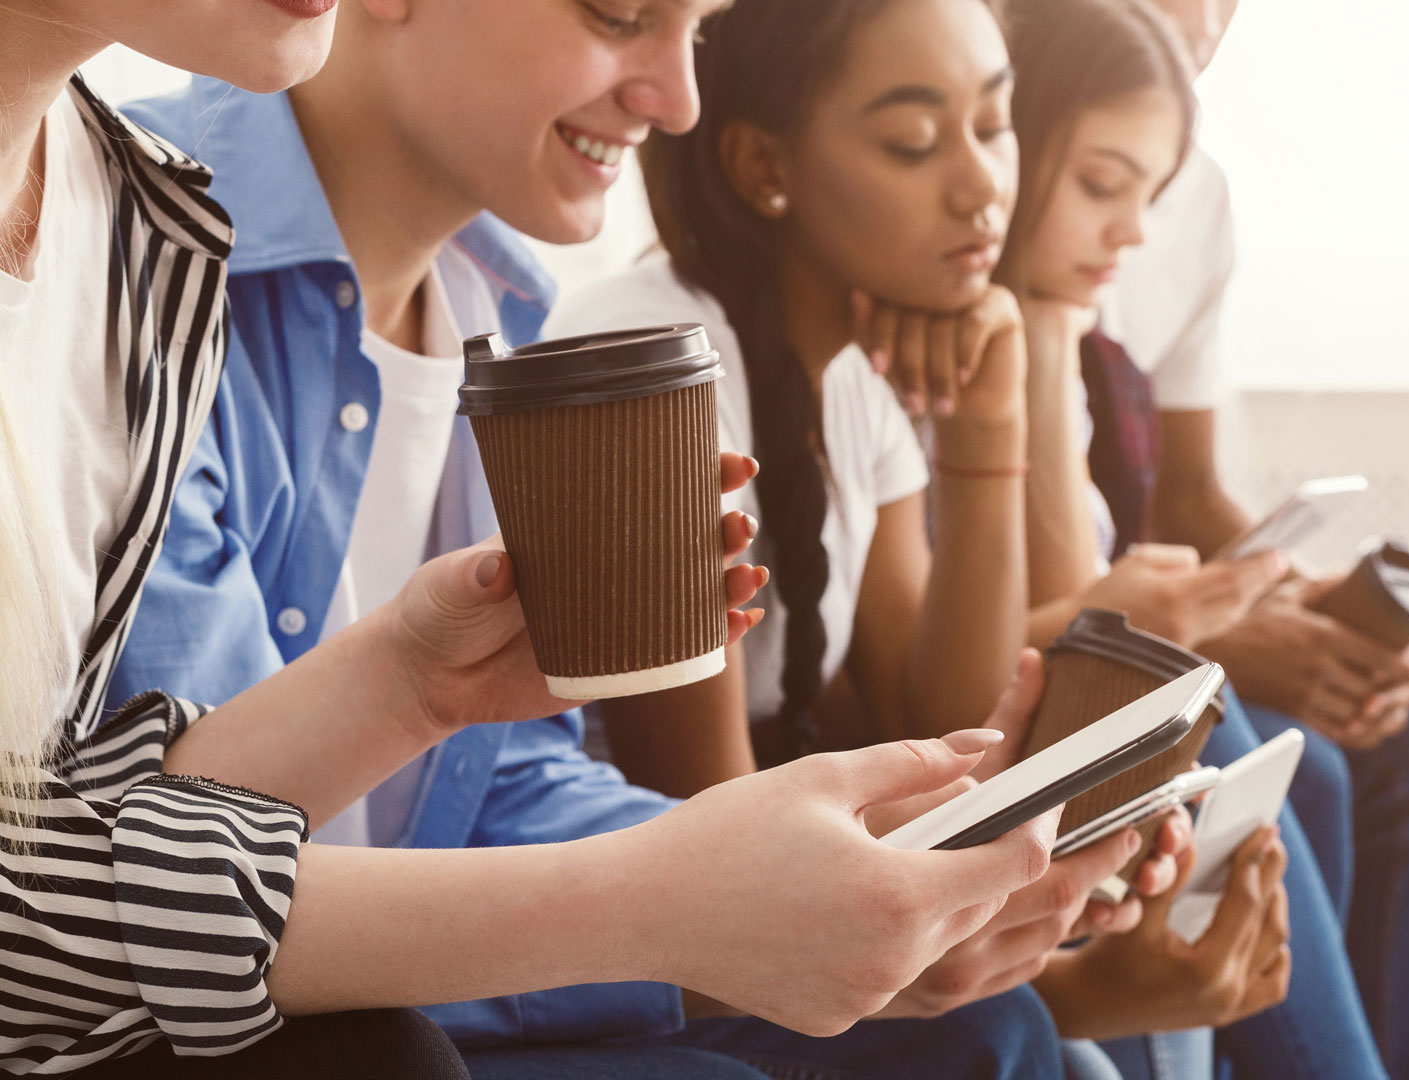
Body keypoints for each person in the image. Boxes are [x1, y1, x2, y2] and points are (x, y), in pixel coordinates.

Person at [5, 2, 1070, 1077]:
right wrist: (673, 911)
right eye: (617, 13)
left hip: (268, 978)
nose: (678, 101)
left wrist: (415, 686)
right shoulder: (174, 245)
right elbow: (147, 879)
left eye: (695, 34)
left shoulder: (479, 306)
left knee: (988, 1029)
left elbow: (193, 827)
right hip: (262, 1014)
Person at [556, 1, 1289, 1075]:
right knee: (1028, 1036)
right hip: (627, 918)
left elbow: (946, 720)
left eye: (994, 128)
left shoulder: (849, 380)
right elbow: (709, 844)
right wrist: (1071, 985)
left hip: (744, 887)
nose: (982, 186)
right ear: (765, 164)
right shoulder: (650, 369)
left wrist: (989, 418)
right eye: (912, 141)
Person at [1088, 1, 1409, 1076]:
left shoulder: (1200, 197)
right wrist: (1224, 638)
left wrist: (1296, 598)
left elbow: (1187, 493)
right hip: (1118, 632)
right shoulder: (993, 177)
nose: (1202, 20)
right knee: (1298, 765)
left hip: (1170, 608)